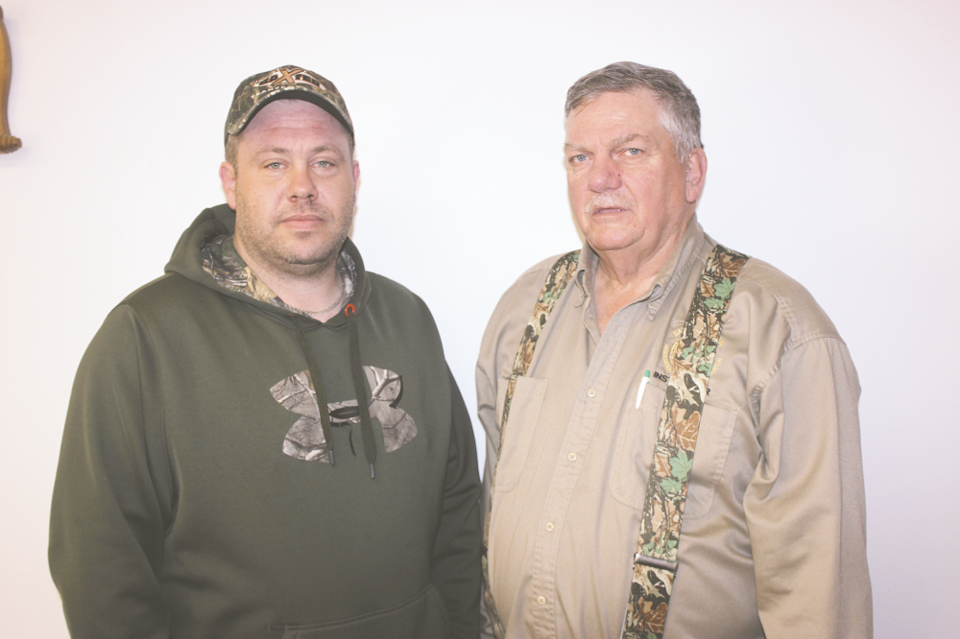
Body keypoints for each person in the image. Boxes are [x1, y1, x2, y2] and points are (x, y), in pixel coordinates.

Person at [50, 64, 482, 639]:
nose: (302, 185)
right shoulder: (144, 338)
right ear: (231, 183)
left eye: (323, 163)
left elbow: (457, 509)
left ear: (353, 177)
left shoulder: (409, 319)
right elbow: (99, 563)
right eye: (274, 163)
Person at [477, 62, 871, 639]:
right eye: (579, 158)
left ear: (692, 172)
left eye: (630, 152)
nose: (600, 178)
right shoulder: (524, 309)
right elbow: (491, 516)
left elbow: (818, 594)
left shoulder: (779, 331)